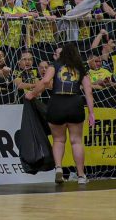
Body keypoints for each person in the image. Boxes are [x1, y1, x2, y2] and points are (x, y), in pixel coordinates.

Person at [25, 41, 95, 185]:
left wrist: (32, 94)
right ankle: (81, 176)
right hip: (75, 104)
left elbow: (45, 81)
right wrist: (92, 113)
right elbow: (88, 91)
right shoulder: (81, 68)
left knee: (58, 140)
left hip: (57, 103)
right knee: (76, 141)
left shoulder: (54, 65)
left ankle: (58, 169)